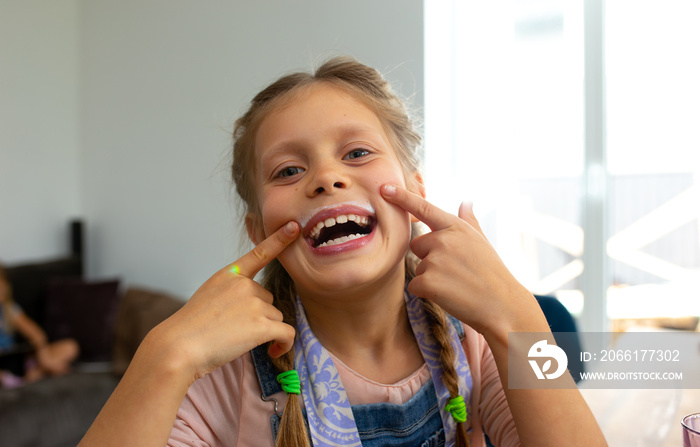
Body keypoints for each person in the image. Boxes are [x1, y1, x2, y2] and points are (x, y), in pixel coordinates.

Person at [79, 56, 607, 446]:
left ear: (415, 193)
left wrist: (520, 320)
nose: (327, 178)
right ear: (258, 227)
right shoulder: (224, 377)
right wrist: (164, 358)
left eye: (357, 153)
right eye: (289, 170)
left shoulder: (475, 342)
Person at [0, 264, 80, 387]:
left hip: (20, 361)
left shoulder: (10, 310)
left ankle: (35, 373)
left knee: (70, 346)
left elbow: (37, 335)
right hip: (3, 366)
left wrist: (45, 360)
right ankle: (25, 377)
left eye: (2, 284)